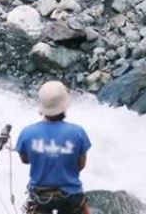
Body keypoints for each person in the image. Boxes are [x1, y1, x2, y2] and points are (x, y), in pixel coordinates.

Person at [16, 81, 92, 214]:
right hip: (71, 195)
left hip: (40, 196)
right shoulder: (78, 132)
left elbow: (25, 160)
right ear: (64, 106)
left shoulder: (27, 133)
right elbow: (81, 165)